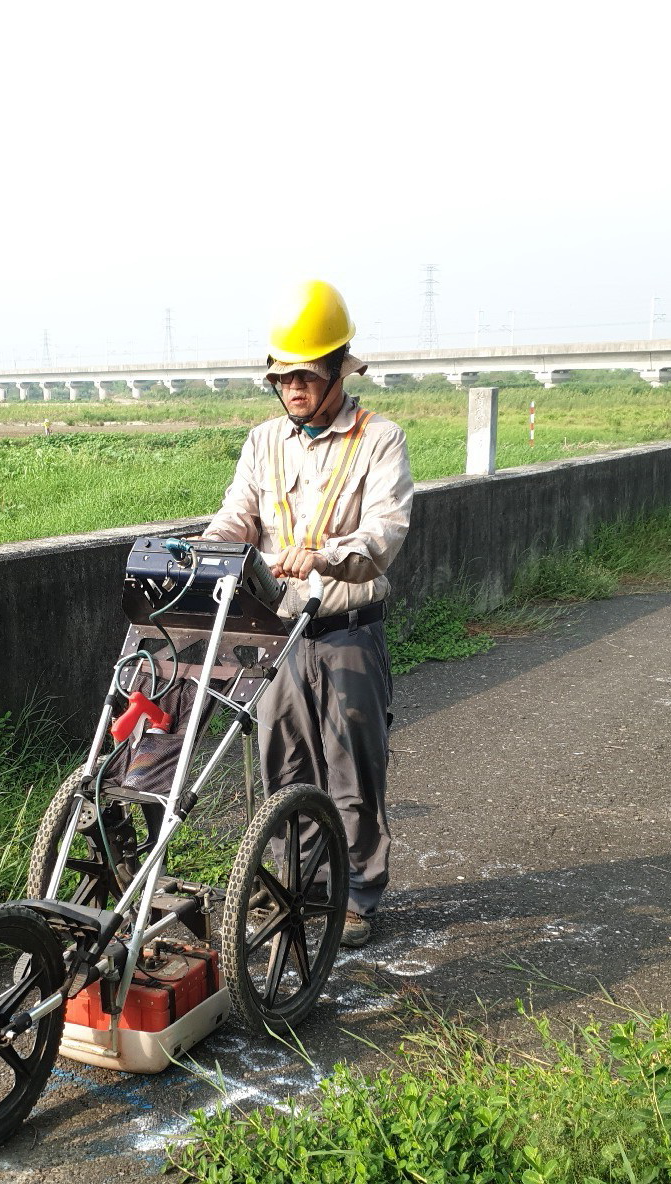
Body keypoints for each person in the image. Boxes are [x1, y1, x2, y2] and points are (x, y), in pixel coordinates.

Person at [200, 280, 412, 948]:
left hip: (347, 631)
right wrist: (212, 546)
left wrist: (321, 555)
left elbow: (383, 535)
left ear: (337, 371)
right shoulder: (264, 442)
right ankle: (294, 888)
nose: (293, 386)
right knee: (283, 769)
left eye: (306, 373)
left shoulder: (380, 440)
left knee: (352, 771)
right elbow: (239, 512)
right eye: (282, 376)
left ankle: (355, 898)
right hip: (278, 636)